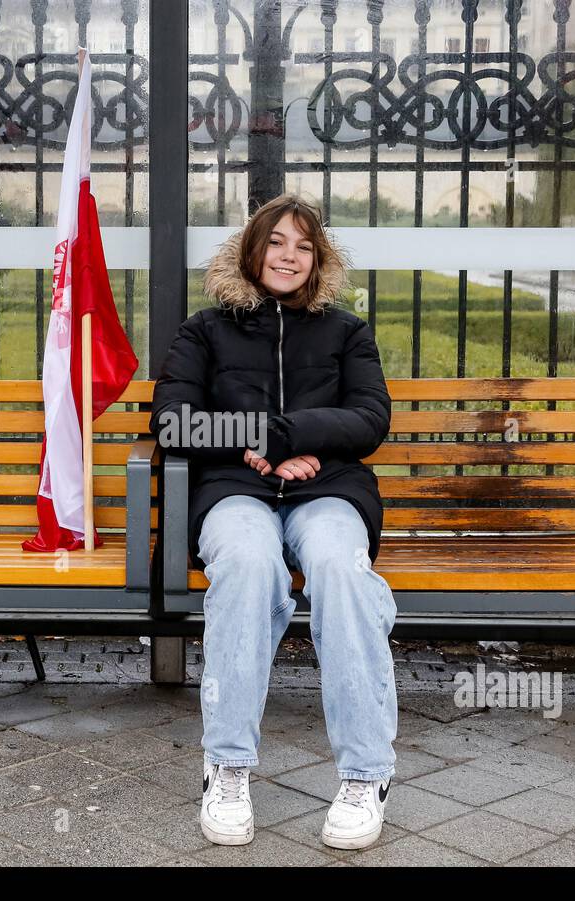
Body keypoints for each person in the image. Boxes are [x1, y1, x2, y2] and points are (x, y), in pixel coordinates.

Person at [149, 195, 398, 849]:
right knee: (248, 564)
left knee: (341, 572)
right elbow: (173, 421)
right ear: (251, 251)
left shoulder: (347, 332)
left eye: (304, 246)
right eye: (277, 242)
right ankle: (228, 765)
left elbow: (371, 419)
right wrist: (258, 442)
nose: (289, 256)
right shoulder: (204, 330)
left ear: (319, 260)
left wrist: (290, 437)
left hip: (328, 491)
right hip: (236, 489)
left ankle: (366, 774)